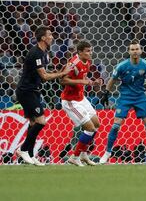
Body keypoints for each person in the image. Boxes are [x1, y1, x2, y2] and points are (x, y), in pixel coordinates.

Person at [15, 26, 72, 166]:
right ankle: (22, 150)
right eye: (50, 34)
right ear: (43, 38)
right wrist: (62, 74)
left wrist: (59, 70)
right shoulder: (35, 53)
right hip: (26, 91)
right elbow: (45, 76)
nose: (52, 37)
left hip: (33, 90)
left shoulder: (44, 53)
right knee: (41, 121)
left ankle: (30, 154)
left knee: (33, 123)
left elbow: (43, 72)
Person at [100, 40, 146, 164]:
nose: (135, 51)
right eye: (132, 49)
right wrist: (106, 92)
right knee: (116, 124)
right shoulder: (122, 66)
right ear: (129, 51)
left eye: (137, 49)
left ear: (141, 51)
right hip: (125, 98)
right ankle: (107, 152)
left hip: (140, 98)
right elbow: (112, 79)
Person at [60, 41, 102, 167]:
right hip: (70, 101)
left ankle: (83, 154)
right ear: (80, 52)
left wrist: (92, 82)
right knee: (89, 128)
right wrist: (82, 81)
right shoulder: (73, 63)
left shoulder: (87, 62)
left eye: (91, 50)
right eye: (87, 51)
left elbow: (83, 80)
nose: (90, 53)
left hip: (81, 98)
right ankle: (74, 157)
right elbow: (63, 80)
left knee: (96, 124)